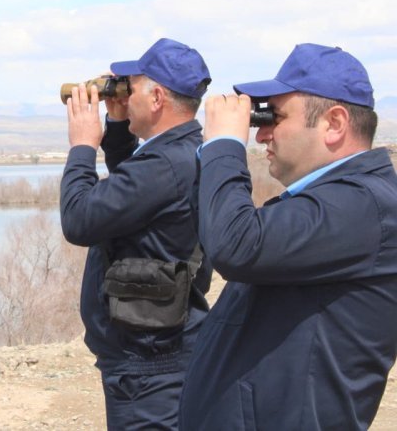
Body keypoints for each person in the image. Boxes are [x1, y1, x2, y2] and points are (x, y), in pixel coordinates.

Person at [179, 43, 397, 430]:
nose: (261, 135)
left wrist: (225, 145)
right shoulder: (334, 202)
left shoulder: (364, 206)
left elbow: (236, 246)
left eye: (273, 117)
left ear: (334, 123)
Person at [60, 38, 213, 429]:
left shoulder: (161, 165)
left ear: (157, 96)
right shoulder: (187, 151)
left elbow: (79, 220)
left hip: (147, 365)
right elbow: (135, 196)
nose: (125, 93)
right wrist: (115, 126)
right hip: (162, 350)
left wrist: (82, 146)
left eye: (134, 85)